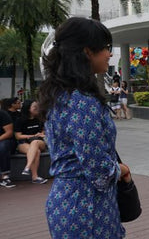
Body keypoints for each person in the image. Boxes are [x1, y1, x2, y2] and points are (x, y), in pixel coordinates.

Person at [38, 17, 131, 239]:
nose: (110, 54)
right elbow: (98, 170)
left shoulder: (59, 95)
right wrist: (122, 170)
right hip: (87, 207)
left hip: (68, 204)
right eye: (107, 48)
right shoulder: (83, 101)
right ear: (88, 51)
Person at [14, 100, 48, 184]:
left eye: (38, 107)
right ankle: (35, 177)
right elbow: (18, 136)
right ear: (28, 109)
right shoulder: (20, 120)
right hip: (24, 142)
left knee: (35, 143)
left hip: (39, 142)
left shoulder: (40, 118)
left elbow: (44, 130)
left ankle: (27, 167)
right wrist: (32, 136)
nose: (37, 109)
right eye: (35, 107)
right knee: (36, 151)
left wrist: (41, 134)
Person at [0, 109, 16, 188]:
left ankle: (5, 176)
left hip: (5, 140)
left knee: (2, 146)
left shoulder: (3, 114)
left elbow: (9, 133)